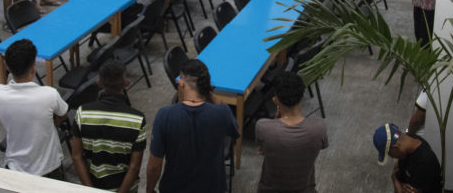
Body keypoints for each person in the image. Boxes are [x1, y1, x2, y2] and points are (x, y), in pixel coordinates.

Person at [146, 59, 239, 193]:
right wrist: (214, 97)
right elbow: (235, 131)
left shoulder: (164, 116)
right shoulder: (222, 112)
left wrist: (149, 190)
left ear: (182, 82)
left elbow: (154, 165)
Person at [0, 39, 69, 179]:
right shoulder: (49, 94)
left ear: (7, 66)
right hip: (49, 167)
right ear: (34, 68)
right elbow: (63, 114)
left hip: (16, 168)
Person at [71, 60, 146, 192]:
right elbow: (134, 167)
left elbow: (76, 156)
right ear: (126, 83)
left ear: (99, 83)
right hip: (125, 187)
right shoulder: (137, 119)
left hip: (94, 185)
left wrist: (91, 190)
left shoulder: (83, 113)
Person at [255, 72, 328, 193]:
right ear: (303, 94)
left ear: (275, 100)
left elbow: (263, 150)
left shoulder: (263, 127)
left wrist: (276, 119)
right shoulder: (319, 128)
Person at [372, 122, 442, 193]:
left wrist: (395, 179)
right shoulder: (410, 139)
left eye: (390, 154)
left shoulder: (423, 163)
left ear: (396, 147)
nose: (392, 157)